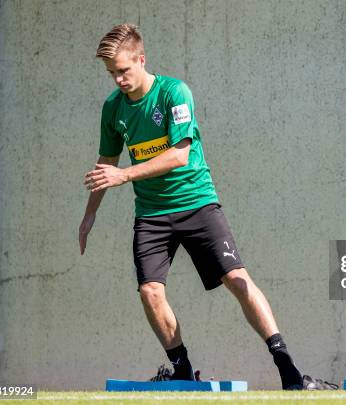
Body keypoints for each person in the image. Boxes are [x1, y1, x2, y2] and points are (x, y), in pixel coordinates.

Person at [78, 23, 327, 390]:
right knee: (150, 290)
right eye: (111, 73)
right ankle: (181, 369)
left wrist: (125, 175)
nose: (117, 79)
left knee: (237, 280)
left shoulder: (173, 93)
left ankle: (287, 368)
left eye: (123, 70)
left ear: (141, 60)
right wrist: (89, 214)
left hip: (197, 204)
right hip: (151, 214)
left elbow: (179, 156)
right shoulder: (113, 108)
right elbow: (106, 164)